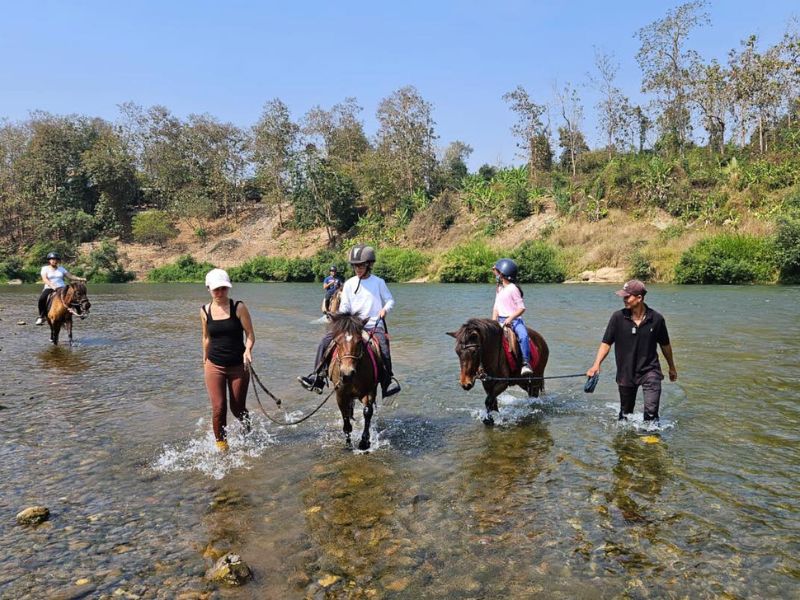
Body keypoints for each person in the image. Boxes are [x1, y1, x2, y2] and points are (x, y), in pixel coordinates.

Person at [298, 244, 401, 398]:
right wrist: (338, 316)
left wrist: (384, 310)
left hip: (372, 324)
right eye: (355, 266)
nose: (358, 268)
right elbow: (345, 306)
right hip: (353, 326)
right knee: (325, 340)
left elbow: (390, 300)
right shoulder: (349, 284)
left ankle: (387, 381)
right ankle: (317, 376)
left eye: (361, 265)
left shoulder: (378, 282)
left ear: (369, 265)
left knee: (383, 347)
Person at [586, 279, 678, 423]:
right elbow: (606, 343)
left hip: (650, 370)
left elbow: (665, 345)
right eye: (623, 296)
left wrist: (672, 367)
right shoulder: (617, 318)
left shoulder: (657, 319)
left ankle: (651, 440)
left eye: (627, 296)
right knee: (626, 414)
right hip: (626, 372)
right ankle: (626, 443)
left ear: (639, 298)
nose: (624, 299)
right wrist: (596, 364)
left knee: (651, 411)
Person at [200, 268, 255, 452]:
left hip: (238, 365)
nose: (220, 293)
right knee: (218, 408)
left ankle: (248, 433)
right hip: (214, 365)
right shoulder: (204, 311)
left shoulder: (238, 307)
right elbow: (206, 337)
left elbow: (250, 335)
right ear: (208, 289)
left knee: (237, 408)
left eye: (224, 288)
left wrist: (248, 350)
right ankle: (222, 448)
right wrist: (204, 360)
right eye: (216, 289)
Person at [491, 258, 533, 376]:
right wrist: (493, 322)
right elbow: (496, 307)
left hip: (514, 321)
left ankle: (526, 363)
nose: (496, 275)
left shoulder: (513, 288)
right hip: (500, 320)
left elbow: (521, 308)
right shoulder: (499, 289)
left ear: (504, 274)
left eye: (498, 273)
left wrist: (510, 319)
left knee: (524, 336)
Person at [36, 252, 86, 325]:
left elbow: (70, 276)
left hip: (62, 288)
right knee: (42, 299)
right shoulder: (45, 269)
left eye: (56, 259)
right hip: (49, 287)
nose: (54, 261)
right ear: (49, 261)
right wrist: (53, 286)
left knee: (74, 296)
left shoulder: (61, 269)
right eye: (52, 259)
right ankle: (41, 316)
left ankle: (79, 312)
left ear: (58, 261)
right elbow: (45, 279)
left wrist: (80, 279)